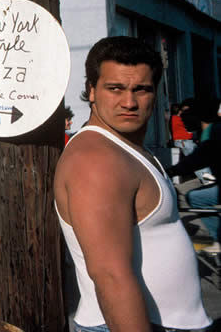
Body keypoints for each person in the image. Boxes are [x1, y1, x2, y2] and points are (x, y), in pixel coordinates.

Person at [53, 36, 212, 332]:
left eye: (141, 89)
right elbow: (110, 275)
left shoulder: (124, 147)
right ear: (91, 91)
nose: (129, 102)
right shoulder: (97, 159)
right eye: (115, 89)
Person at [169, 97, 220, 254]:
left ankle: (218, 240)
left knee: (196, 198)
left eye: (186, 112)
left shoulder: (214, 132)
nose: (181, 117)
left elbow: (198, 159)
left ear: (200, 114)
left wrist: (168, 171)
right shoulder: (210, 131)